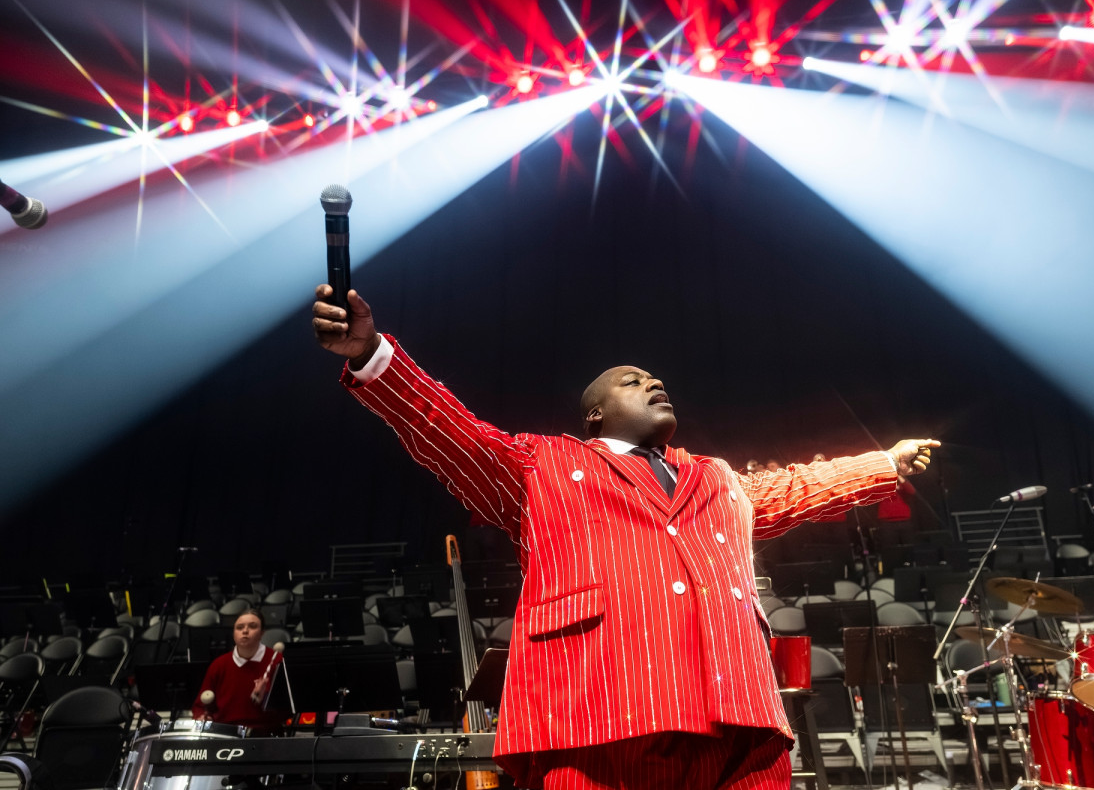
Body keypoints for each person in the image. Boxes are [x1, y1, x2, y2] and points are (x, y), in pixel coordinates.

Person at [312, 285, 940, 790]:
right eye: (632, 380)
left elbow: (799, 486)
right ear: (595, 414)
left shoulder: (716, 479)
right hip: (600, 716)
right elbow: (449, 432)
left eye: (656, 378)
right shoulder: (543, 467)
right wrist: (372, 358)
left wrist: (884, 463)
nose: (652, 382)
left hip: (739, 724)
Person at [191, 609, 286, 732]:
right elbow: (200, 706)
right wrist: (203, 717)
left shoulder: (277, 661)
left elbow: (287, 711)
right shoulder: (219, 664)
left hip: (266, 733)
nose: (245, 631)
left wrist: (267, 699)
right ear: (233, 634)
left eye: (252, 626)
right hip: (226, 734)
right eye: (239, 627)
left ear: (262, 632)